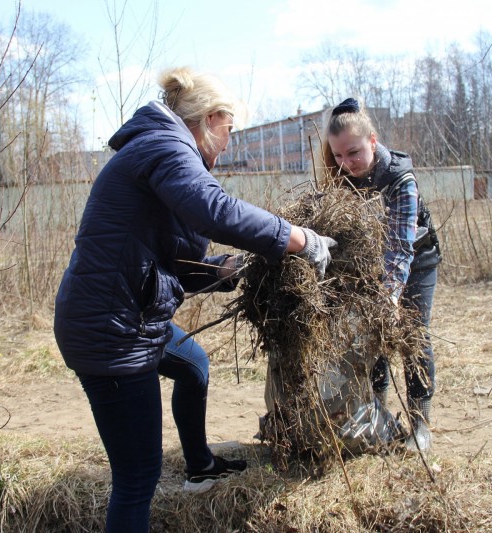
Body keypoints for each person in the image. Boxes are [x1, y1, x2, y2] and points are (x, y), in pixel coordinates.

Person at [53, 66, 336, 532]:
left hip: (127, 318)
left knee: (194, 365)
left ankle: (200, 465)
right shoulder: (165, 146)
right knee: (137, 476)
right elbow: (214, 210)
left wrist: (231, 269)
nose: (229, 143)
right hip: (112, 334)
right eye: (230, 130)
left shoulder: (161, 152)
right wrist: (297, 238)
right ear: (210, 119)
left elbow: (170, 261)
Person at [322, 97, 441, 454]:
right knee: (372, 338)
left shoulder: (400, 179)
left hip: (416, 260)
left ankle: (421, 426)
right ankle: (378, 415)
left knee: (413, 337)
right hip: (370, 263)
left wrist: (388, 296)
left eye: (354, 153)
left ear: (373, 141)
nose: (347, 163)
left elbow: (400, 248)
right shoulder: (343, 174)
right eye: (339, 156)